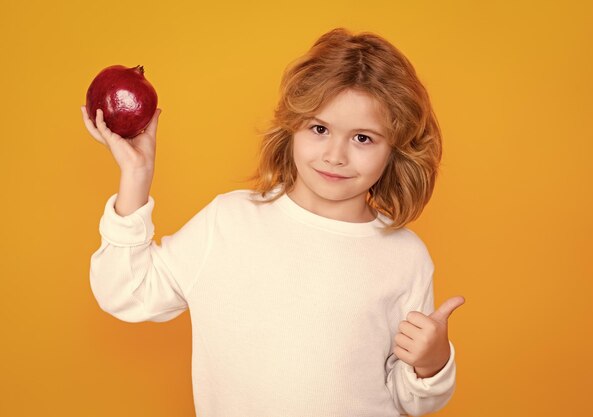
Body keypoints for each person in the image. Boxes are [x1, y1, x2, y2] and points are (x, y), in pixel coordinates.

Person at [81, 27, 465, 417]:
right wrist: (136, 176)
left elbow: (410, 399)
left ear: (395, 149)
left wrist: (431, 364)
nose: (335, 155)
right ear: (292, 127)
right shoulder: (228, 223)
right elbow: (126, 291)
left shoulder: (405, 257)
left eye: (363, 138)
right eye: (319, 129)